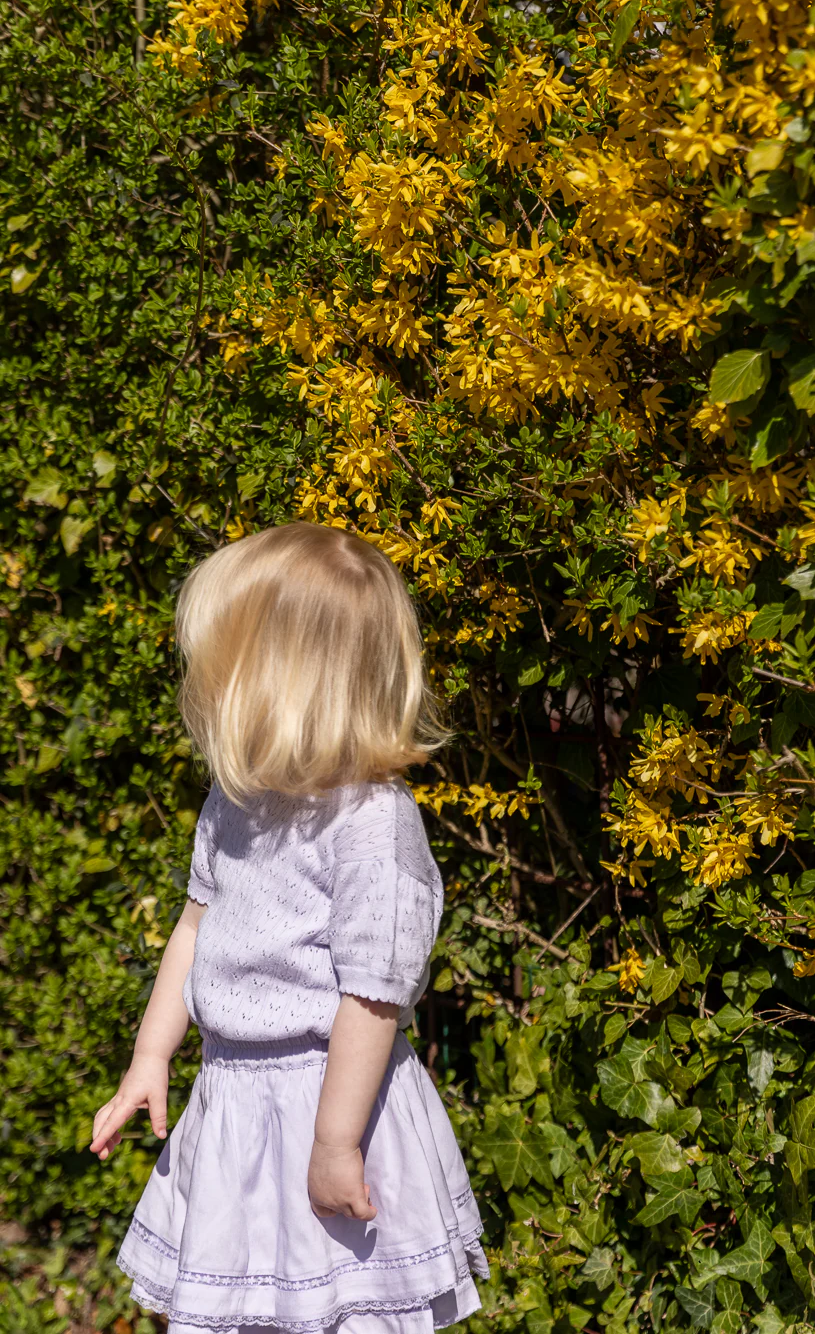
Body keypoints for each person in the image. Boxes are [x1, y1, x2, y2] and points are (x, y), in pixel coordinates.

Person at [90, 522, 490, 1333]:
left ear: (284, 679)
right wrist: (151, 1053)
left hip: (330, 1101)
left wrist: (335, 1142)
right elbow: (195, 927)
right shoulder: (237, 803)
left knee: (339, 1307)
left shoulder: (372, 824)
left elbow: (371, 996)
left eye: (222, 668)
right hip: (235, 1104)